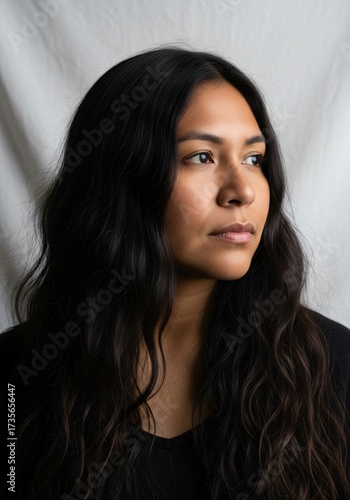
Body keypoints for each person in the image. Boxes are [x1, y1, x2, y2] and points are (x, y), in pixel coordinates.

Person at [0, 45, 349, 500]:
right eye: (201, 157)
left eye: (254, 159)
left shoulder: (335, 366)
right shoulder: (16, 378)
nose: (242, 190)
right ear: (122, 178)